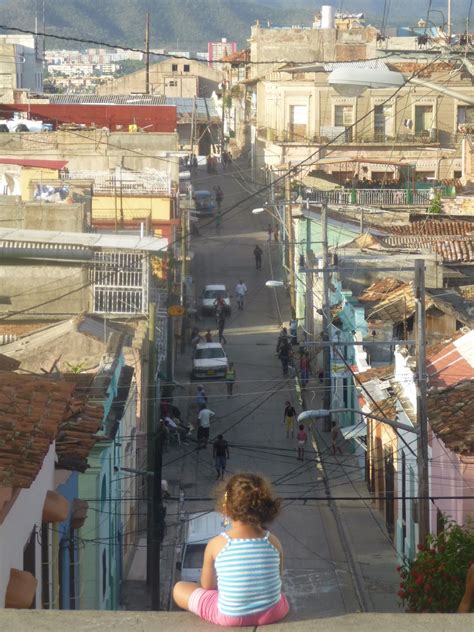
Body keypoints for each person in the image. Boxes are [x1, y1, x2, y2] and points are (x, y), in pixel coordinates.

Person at [173, 472, 289, 626]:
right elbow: (278, 577)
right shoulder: (273, 541)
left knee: (179, 588)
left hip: (231, 617)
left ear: (225, 508)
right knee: (278, 596)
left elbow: (208, 586)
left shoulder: (217, 544)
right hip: (274, 612)